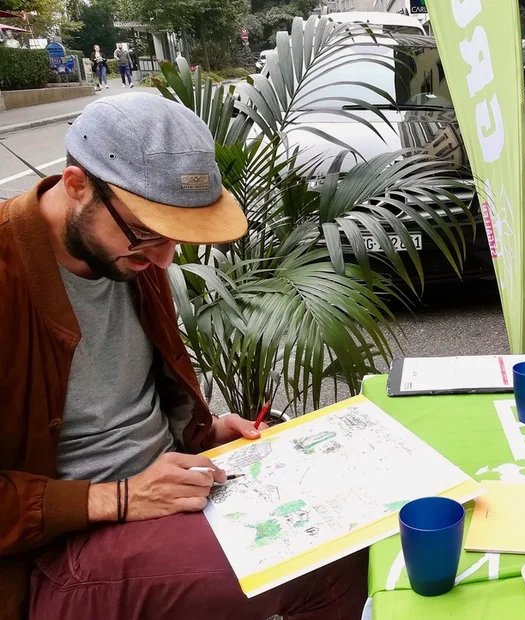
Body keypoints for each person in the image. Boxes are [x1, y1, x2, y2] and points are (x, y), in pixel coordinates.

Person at [0, 93, 369, 619]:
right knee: (323, 560)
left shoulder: (135, 264)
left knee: (354, 516)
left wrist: (206, 432)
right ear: (77, 185)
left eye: (175, 237)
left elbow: (135, 401)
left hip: (168, 496)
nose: (162, 258)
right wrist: (120, 498)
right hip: (55, 554)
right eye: (146, 232)